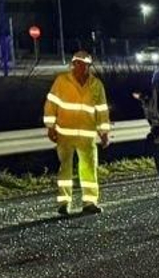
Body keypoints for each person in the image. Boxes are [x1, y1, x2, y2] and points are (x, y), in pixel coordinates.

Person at [43, 49, 111, 216]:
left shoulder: (96, 85)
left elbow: (102, 111)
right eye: (80, 64)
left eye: (87, 65)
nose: (84, 68)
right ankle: (64, 203)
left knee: (88, 168)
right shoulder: (61, 81)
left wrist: (104, 132)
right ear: (73, 65)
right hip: (64, 134)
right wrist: (50, 126)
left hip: (87, 136)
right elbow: (51, 104)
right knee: (65, 169)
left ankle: (90, 202)